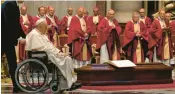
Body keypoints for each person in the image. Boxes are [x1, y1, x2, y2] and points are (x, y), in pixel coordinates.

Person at [25, 19, 82, 91]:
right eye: (45, 27)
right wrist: (58, 53)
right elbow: (44, 48)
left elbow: (50, 46)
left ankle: (70, 82)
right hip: (43, 56)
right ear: (40, 26)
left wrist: (59, 52)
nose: (46, 28)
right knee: (67, 59)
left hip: (48, 54)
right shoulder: (34, 34)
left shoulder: (41, 34)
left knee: (68, 58)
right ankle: (69, 83)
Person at [1, 0, 26, 92]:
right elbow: (9, 23)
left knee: (13, 64)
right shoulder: (9, 4)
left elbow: (16, 24)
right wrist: (19, 37)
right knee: (12, 63)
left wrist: (24, 36)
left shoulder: (12, 4)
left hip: (6, 39)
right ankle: (16, 86)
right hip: (4, 39)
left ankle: (16, 86)